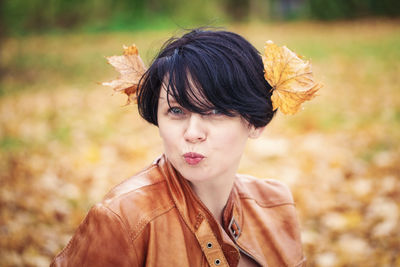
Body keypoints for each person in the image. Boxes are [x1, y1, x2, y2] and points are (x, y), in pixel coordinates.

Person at [51, 28, 318, 267]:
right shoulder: (124, 219)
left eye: (215, 111)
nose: (192, 133)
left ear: (255, 123)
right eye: (176, 110)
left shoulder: (275, 204)